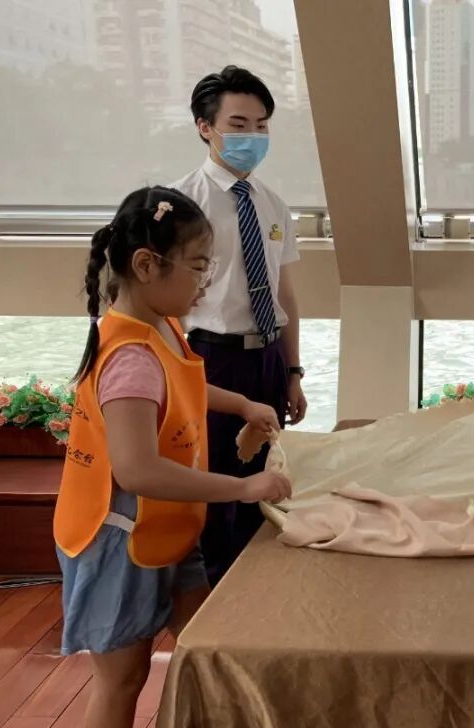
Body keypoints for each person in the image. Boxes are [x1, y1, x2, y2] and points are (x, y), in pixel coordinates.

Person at [53, 187, 291, 728]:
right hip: (119, 539)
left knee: (202, 645)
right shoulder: (128, 355)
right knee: (122, 678)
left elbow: (183, 385)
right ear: (146, 265)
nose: (205, 284)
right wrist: (243, 487)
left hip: (169, 528)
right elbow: (137, 471)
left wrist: (242, 403)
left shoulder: (159, 327)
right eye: (198, 267)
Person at [171, 65, 304, 585]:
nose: (253, 136)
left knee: (265, 477)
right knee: (214, 482)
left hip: (267, 357)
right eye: (239, 124)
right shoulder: (181, 204)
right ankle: (213, 593)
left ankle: (256, 587)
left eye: (262, 125)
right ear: (205, 127)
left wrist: (292, 370)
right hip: (210, 358)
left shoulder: (272, 203)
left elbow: (284, 294)